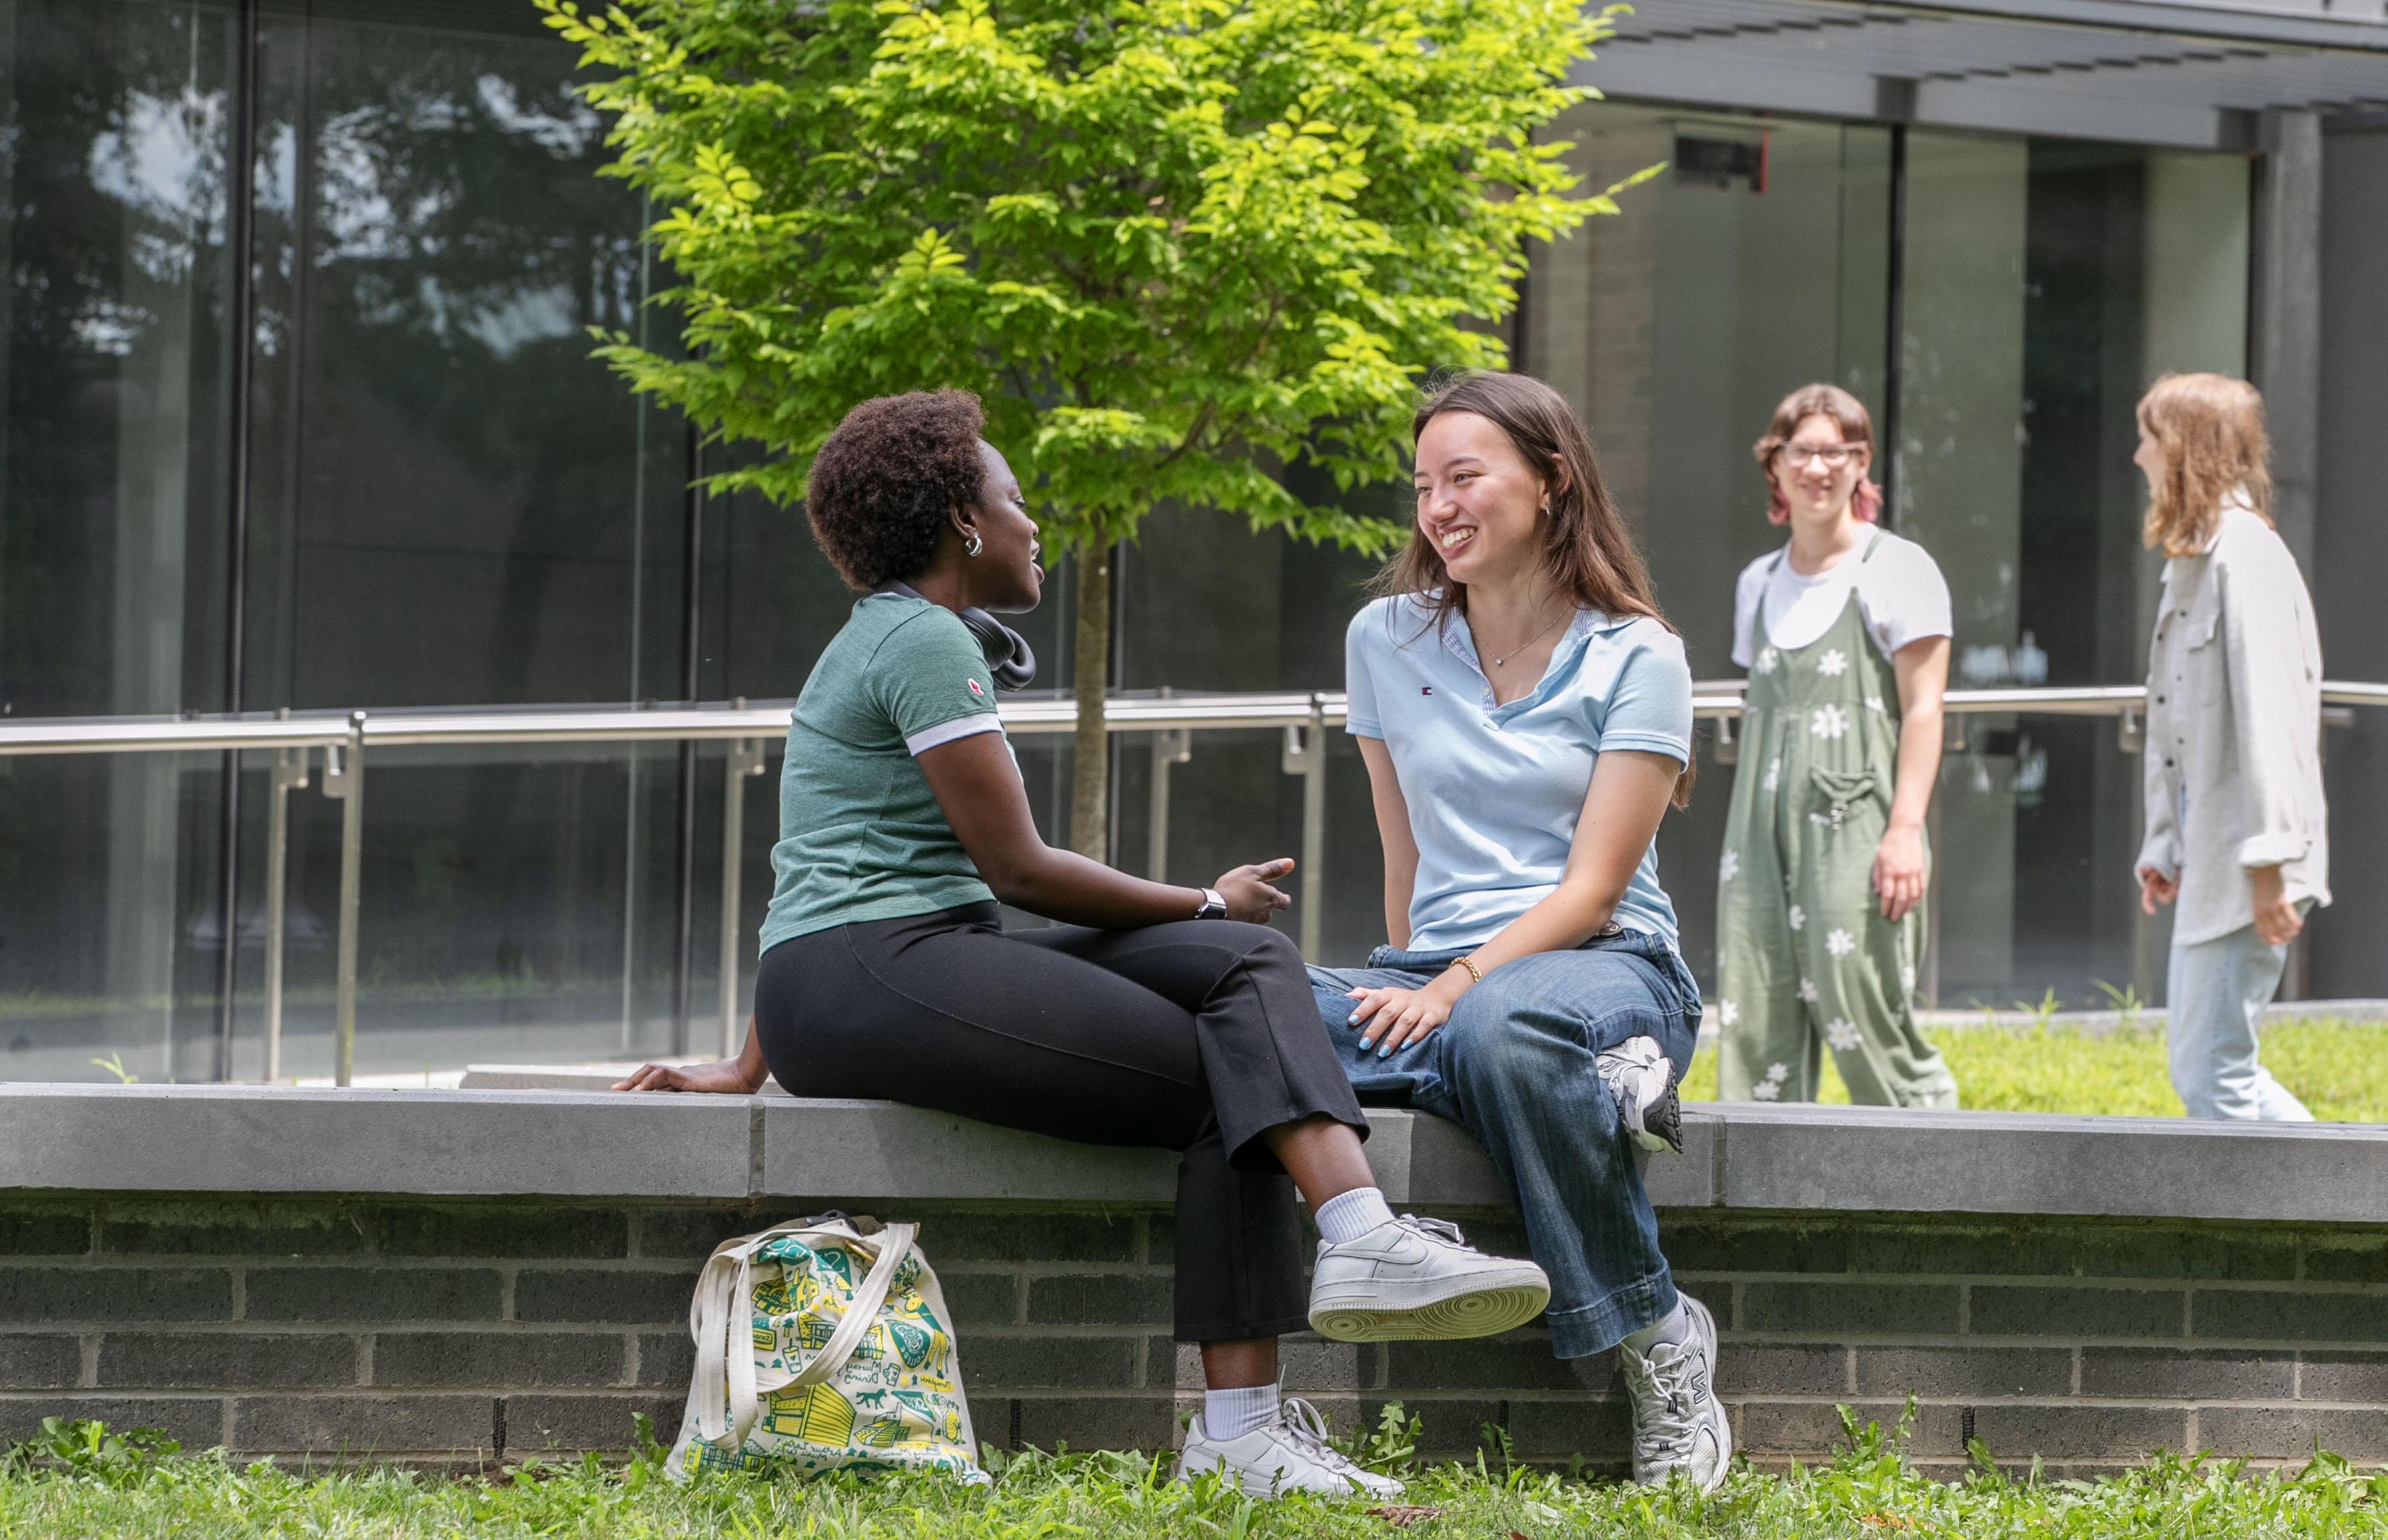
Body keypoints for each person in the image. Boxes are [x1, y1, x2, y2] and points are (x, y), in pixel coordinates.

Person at [616, 389, 1550, 1499]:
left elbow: (817, 860)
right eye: (1014, 499)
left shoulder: (906, 634)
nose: (1031, 520)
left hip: (873, 965)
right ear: (962, 522)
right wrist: (1199, 898)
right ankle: (1258, 1403)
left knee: (1244, 972)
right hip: (870, 972)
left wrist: (748, 1057)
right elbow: (1015, 867)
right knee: (1226, 1055)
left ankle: (1355, 1236)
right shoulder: (918, 638)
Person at [1305, 371, 1729, 1491]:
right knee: (1251, 998)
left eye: (1463, 477)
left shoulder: (1636, 653)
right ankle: (1575, 1085)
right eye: (1422, 485)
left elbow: (1594, 889)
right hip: (1448, 978)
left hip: (1606, 965)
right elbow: (1403, 856)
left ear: (1547, 483)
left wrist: (1449, 992)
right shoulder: (1383, 638)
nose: (1436, 504)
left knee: (1500, 1022)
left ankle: (1656, 1331)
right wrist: (1412, 987)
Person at [1714, 384, 1956, 1110]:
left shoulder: (1898, 568)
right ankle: (1759, 1197)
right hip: (1758, 832)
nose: (1817, 468)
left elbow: (1924, 709)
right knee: (1755, 1018)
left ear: (1861, 464)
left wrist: (1905, 831)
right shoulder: (1757, 582)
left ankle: (1937, 1178)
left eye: (1836, 452)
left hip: (1860, 825)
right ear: (1775, 465)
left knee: (1867, 1011)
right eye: (1802, 452)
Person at [2130, 372, 2331, 1122]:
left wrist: (2271, 863)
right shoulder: (2197, 557)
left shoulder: (2243, 555)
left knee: (2215, 1076)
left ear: (2183, 448)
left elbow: (2274, 717)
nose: (2138, 456)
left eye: (2149, 439)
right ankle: (2342, 1203)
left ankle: (2339, 1210)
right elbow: (2179, 719)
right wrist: (2167, 840)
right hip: (2221, 854)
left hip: (2252, 860)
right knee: (2211, 1071)